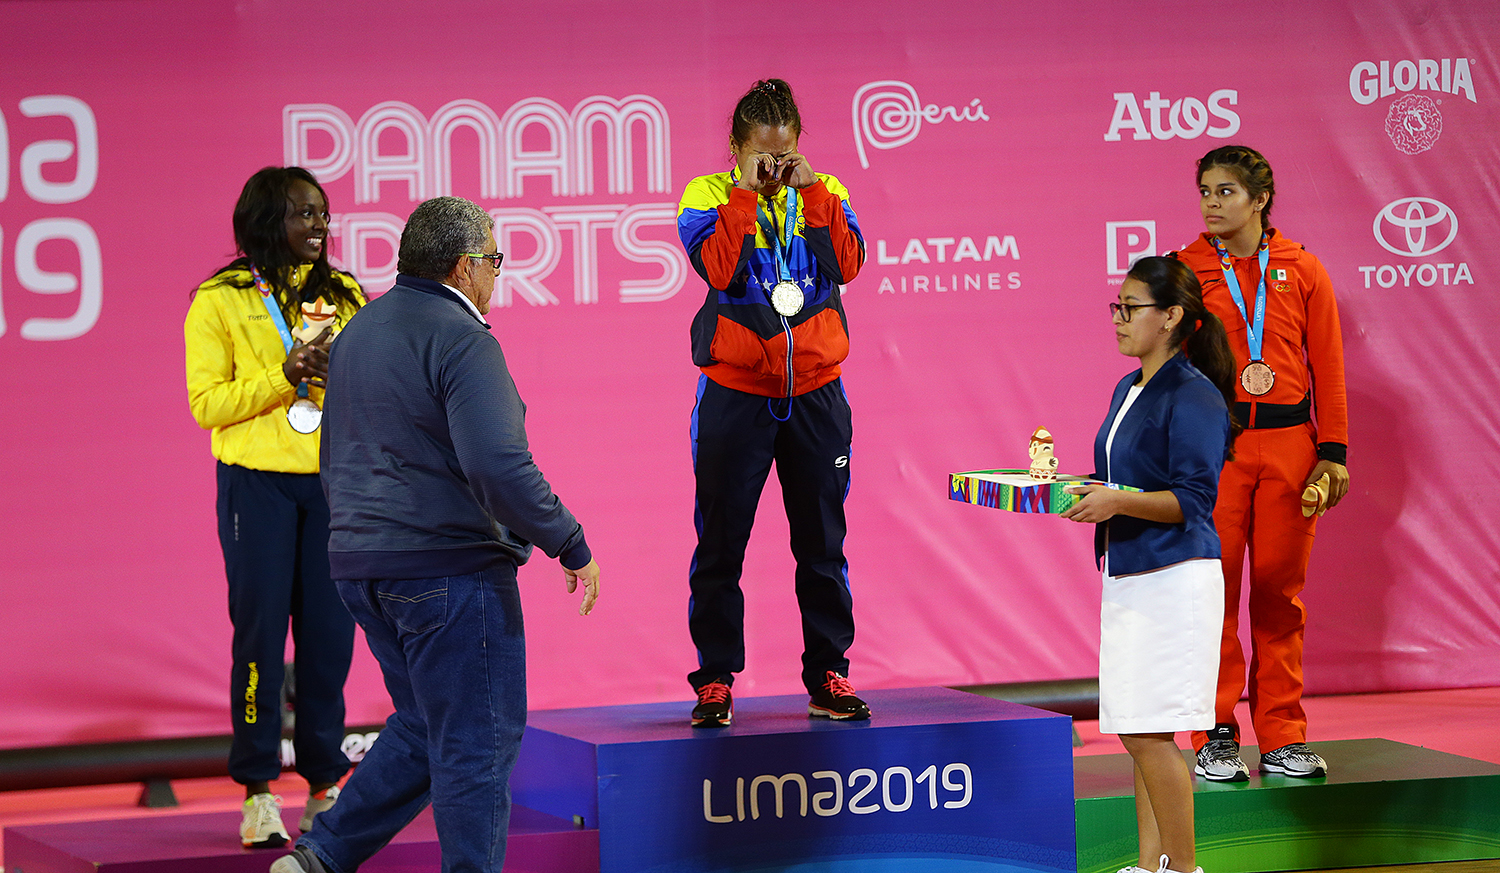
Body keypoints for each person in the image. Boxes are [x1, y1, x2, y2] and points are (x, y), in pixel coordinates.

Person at [271, 196, 600, 873]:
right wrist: (570, 539)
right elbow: (498, 463)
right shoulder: (463, 338)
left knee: (425, 725)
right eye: (494, 261)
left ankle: (318, 858)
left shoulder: (359, 332)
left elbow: (336, 455)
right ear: (462, 266)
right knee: (478, 742)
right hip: (450, 570)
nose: (497, 276)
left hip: (362, 566)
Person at [676, 78, 868, 727]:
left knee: (822, 542)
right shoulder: (708, 195)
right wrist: (743, 193)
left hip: (816, 392)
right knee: (721, 543)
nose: (773, 170)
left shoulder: (825, 192)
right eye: (762, 156)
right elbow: (722, 270)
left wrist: (810, 190)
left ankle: (829, 673)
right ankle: (715, 678)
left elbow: (847, 264)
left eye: (784, 155)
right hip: (736, 395)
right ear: (736, 147)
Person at [186, 166, 366, 848]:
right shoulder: (220, 299)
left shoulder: (345, 292)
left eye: (322, 213)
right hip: (255, 484)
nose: (318, 226)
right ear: (267, 220)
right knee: (259, 634)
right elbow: (208, 403)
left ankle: (325, 785)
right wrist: (283, 374)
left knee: (329, 637)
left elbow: (374, 375)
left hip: (328, 484)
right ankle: (258, 790)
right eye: (302, 214)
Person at [1177, 145, 1349, 782]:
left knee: (1280, 594)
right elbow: (1166, 371)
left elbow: (1328, 365)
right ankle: (1214, 734)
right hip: (1214, 451)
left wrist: (1332, 452)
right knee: (1210, 592)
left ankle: (1281, 735)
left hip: (1289, 448)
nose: (1212, 203)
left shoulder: (1304, 269)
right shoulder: (1185, 270)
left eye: (1225, 192)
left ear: (1260, 199)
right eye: (1205, 192)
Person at [1062, 256, 1237, 873]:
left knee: (1146, 733)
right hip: (1130, 573)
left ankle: (1186, 869)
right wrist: (1069, 490)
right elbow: (1122, 482)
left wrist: (1115, 500)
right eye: (1117, 306)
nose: (1118, 319)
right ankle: (1150, 863)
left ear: (1171, 318)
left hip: (1174, 578)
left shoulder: (1194, 395)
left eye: (1130, 308)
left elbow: (1193, 500)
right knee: (1141, 728)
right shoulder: (1128, 386)